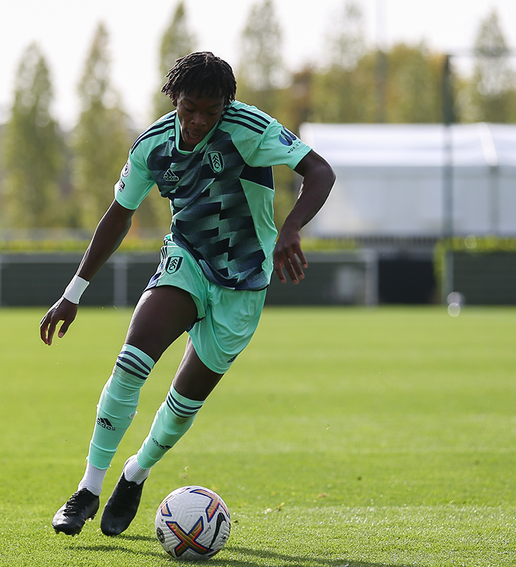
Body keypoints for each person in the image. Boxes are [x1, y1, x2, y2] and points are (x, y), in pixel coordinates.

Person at [41, 51, 335, 536]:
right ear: (173, 99)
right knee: (131, 361)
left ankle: (135, 474)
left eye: (211, 111)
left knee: (183, 403)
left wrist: (291, 228)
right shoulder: (153, 146)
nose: (198, 120)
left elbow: (320, 171)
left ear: (227, 105)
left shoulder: (250, 128)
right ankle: (88, 490)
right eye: (189, 108)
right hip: (187, 260)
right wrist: (74, 292)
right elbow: (118, 214)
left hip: (244, 280)